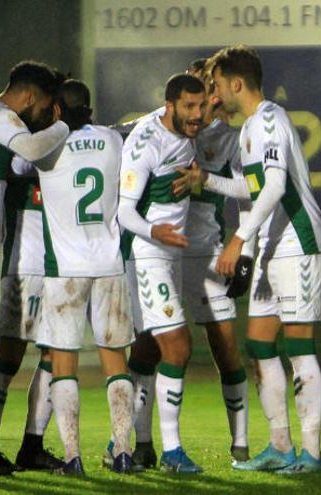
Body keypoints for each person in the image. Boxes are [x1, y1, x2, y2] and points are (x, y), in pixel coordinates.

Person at [176, 44, 321, 475]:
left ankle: (312, 455)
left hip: (298, 240)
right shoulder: (248, 130)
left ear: (236, 83)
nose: (214, 92)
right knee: (260, 344)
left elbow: (276, 186)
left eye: (218, 84)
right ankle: (280, 446)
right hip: (272, 246)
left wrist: (237, 239)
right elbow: (253, 188)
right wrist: (208, 180)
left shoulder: (269, 120)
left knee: (299, 349)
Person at [32, 79, 136, 475]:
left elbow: (21, 162)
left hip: (65, 269)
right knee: (116, 361)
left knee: (64, 363)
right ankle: (123, 452)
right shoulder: (113, 140)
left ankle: (73, 457)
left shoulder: (47, 145)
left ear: (57, 110)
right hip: (109, 264)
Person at [117, 73, 205, 473]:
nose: (198, 115)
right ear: (169, 105)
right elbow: (124, 212)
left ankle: (130, 443)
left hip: (170, 255)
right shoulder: (146, 144)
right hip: (148, 254)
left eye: (202, 105)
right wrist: (155, 230)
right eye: (190, 107)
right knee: (178, 347)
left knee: (148, 352)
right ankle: (172, 452)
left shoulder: (185, 123)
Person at [0, 60, 68, 475]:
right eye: (45, 109)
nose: (43, 118)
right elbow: (35, 150)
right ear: (30, 98)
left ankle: (27, 447)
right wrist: (64, 126)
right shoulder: (2, 117)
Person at [182, 58, 252, 462]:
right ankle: (136, 442)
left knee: (225, 347)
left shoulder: (231, 140)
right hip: (163, 253)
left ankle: (240, 443)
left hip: (208, 252)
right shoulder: (162, 128)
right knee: (154, 348)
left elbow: (250, 192)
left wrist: (242, 249)